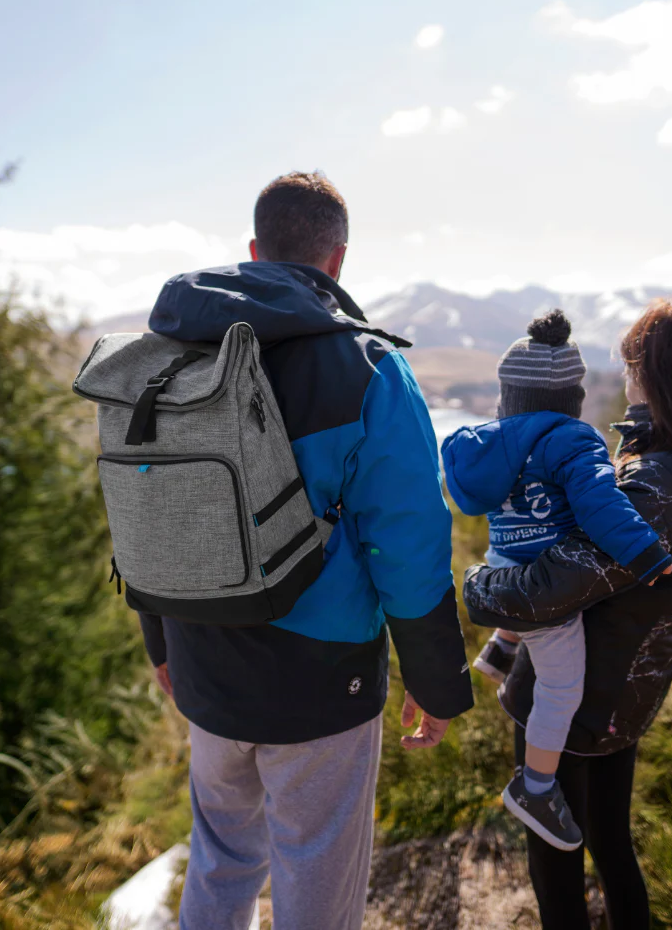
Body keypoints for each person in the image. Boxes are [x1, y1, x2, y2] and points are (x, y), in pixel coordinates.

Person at [139, 171, 474, 930]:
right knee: (316, 875)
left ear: (255, 250)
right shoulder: (367, 368)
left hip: (200, 657)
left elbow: (143, 505)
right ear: (338, 261)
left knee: (221, 860)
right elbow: (410, 546)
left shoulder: (169, 358)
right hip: (322, 683)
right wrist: (437, 677)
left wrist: (160, 637)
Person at [463, 298, 672, 930]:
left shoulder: (656, 484)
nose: (623, 381)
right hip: (628, 688)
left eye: (630, 367)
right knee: (609, 843)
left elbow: (549, 587)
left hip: (577, 695)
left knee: (556, 853)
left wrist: (474, 587)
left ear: (657, 375)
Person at [442, 310, 672, 851]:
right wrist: (645, 554)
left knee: (526, 609)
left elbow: (468, 500)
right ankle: (536, 786)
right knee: (562, 688)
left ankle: (499, 649)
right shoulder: (575, 442)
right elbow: (601, 507)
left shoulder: (486, 444)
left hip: (501, 564)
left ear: (508, 397)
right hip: (546, 591)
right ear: (572, 398)